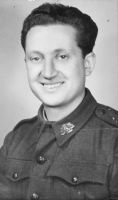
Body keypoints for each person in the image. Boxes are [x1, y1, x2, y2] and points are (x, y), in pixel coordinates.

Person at [0, 2, 118, 200]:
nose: (47, 72)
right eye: (36, 58)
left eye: (62, 56)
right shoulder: (15, 139)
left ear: (87, 64)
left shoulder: (114, 140)